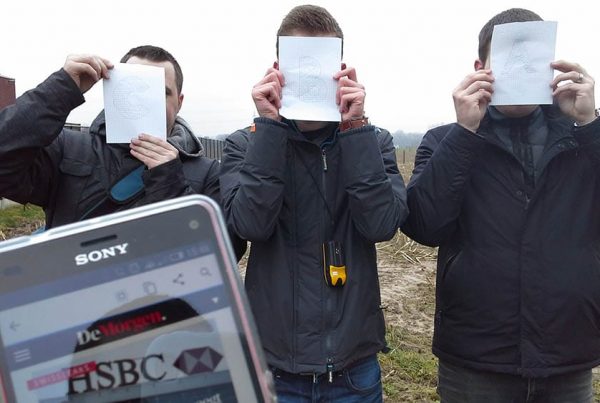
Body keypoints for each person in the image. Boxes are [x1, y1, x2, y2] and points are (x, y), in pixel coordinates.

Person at [402, 8, 599, 402]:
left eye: (533, 60)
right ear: (481, 69)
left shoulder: (581, 138)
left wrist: (591, 124)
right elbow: (424, 225)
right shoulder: (446, 141)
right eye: (507, 59)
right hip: (475, 360)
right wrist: (465, 132)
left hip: (567, 354)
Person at [219, 5, 408, 402]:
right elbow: (249, 225)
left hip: (353, 369)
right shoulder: (246, 144)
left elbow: (381, 225)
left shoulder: (371, 141)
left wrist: (354, 127)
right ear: (277, 69)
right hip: (274, 369)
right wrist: (270, 127)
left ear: (340, 70)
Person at [0, 45, 244, 258]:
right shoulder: (70, 148)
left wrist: (170, 184)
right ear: (113, 92)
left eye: (162, 92)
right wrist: (59, 91)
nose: (146, 101)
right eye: (134, 88)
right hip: (75, 292)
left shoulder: (207, 173)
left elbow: (228, 251)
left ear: (179, 102)